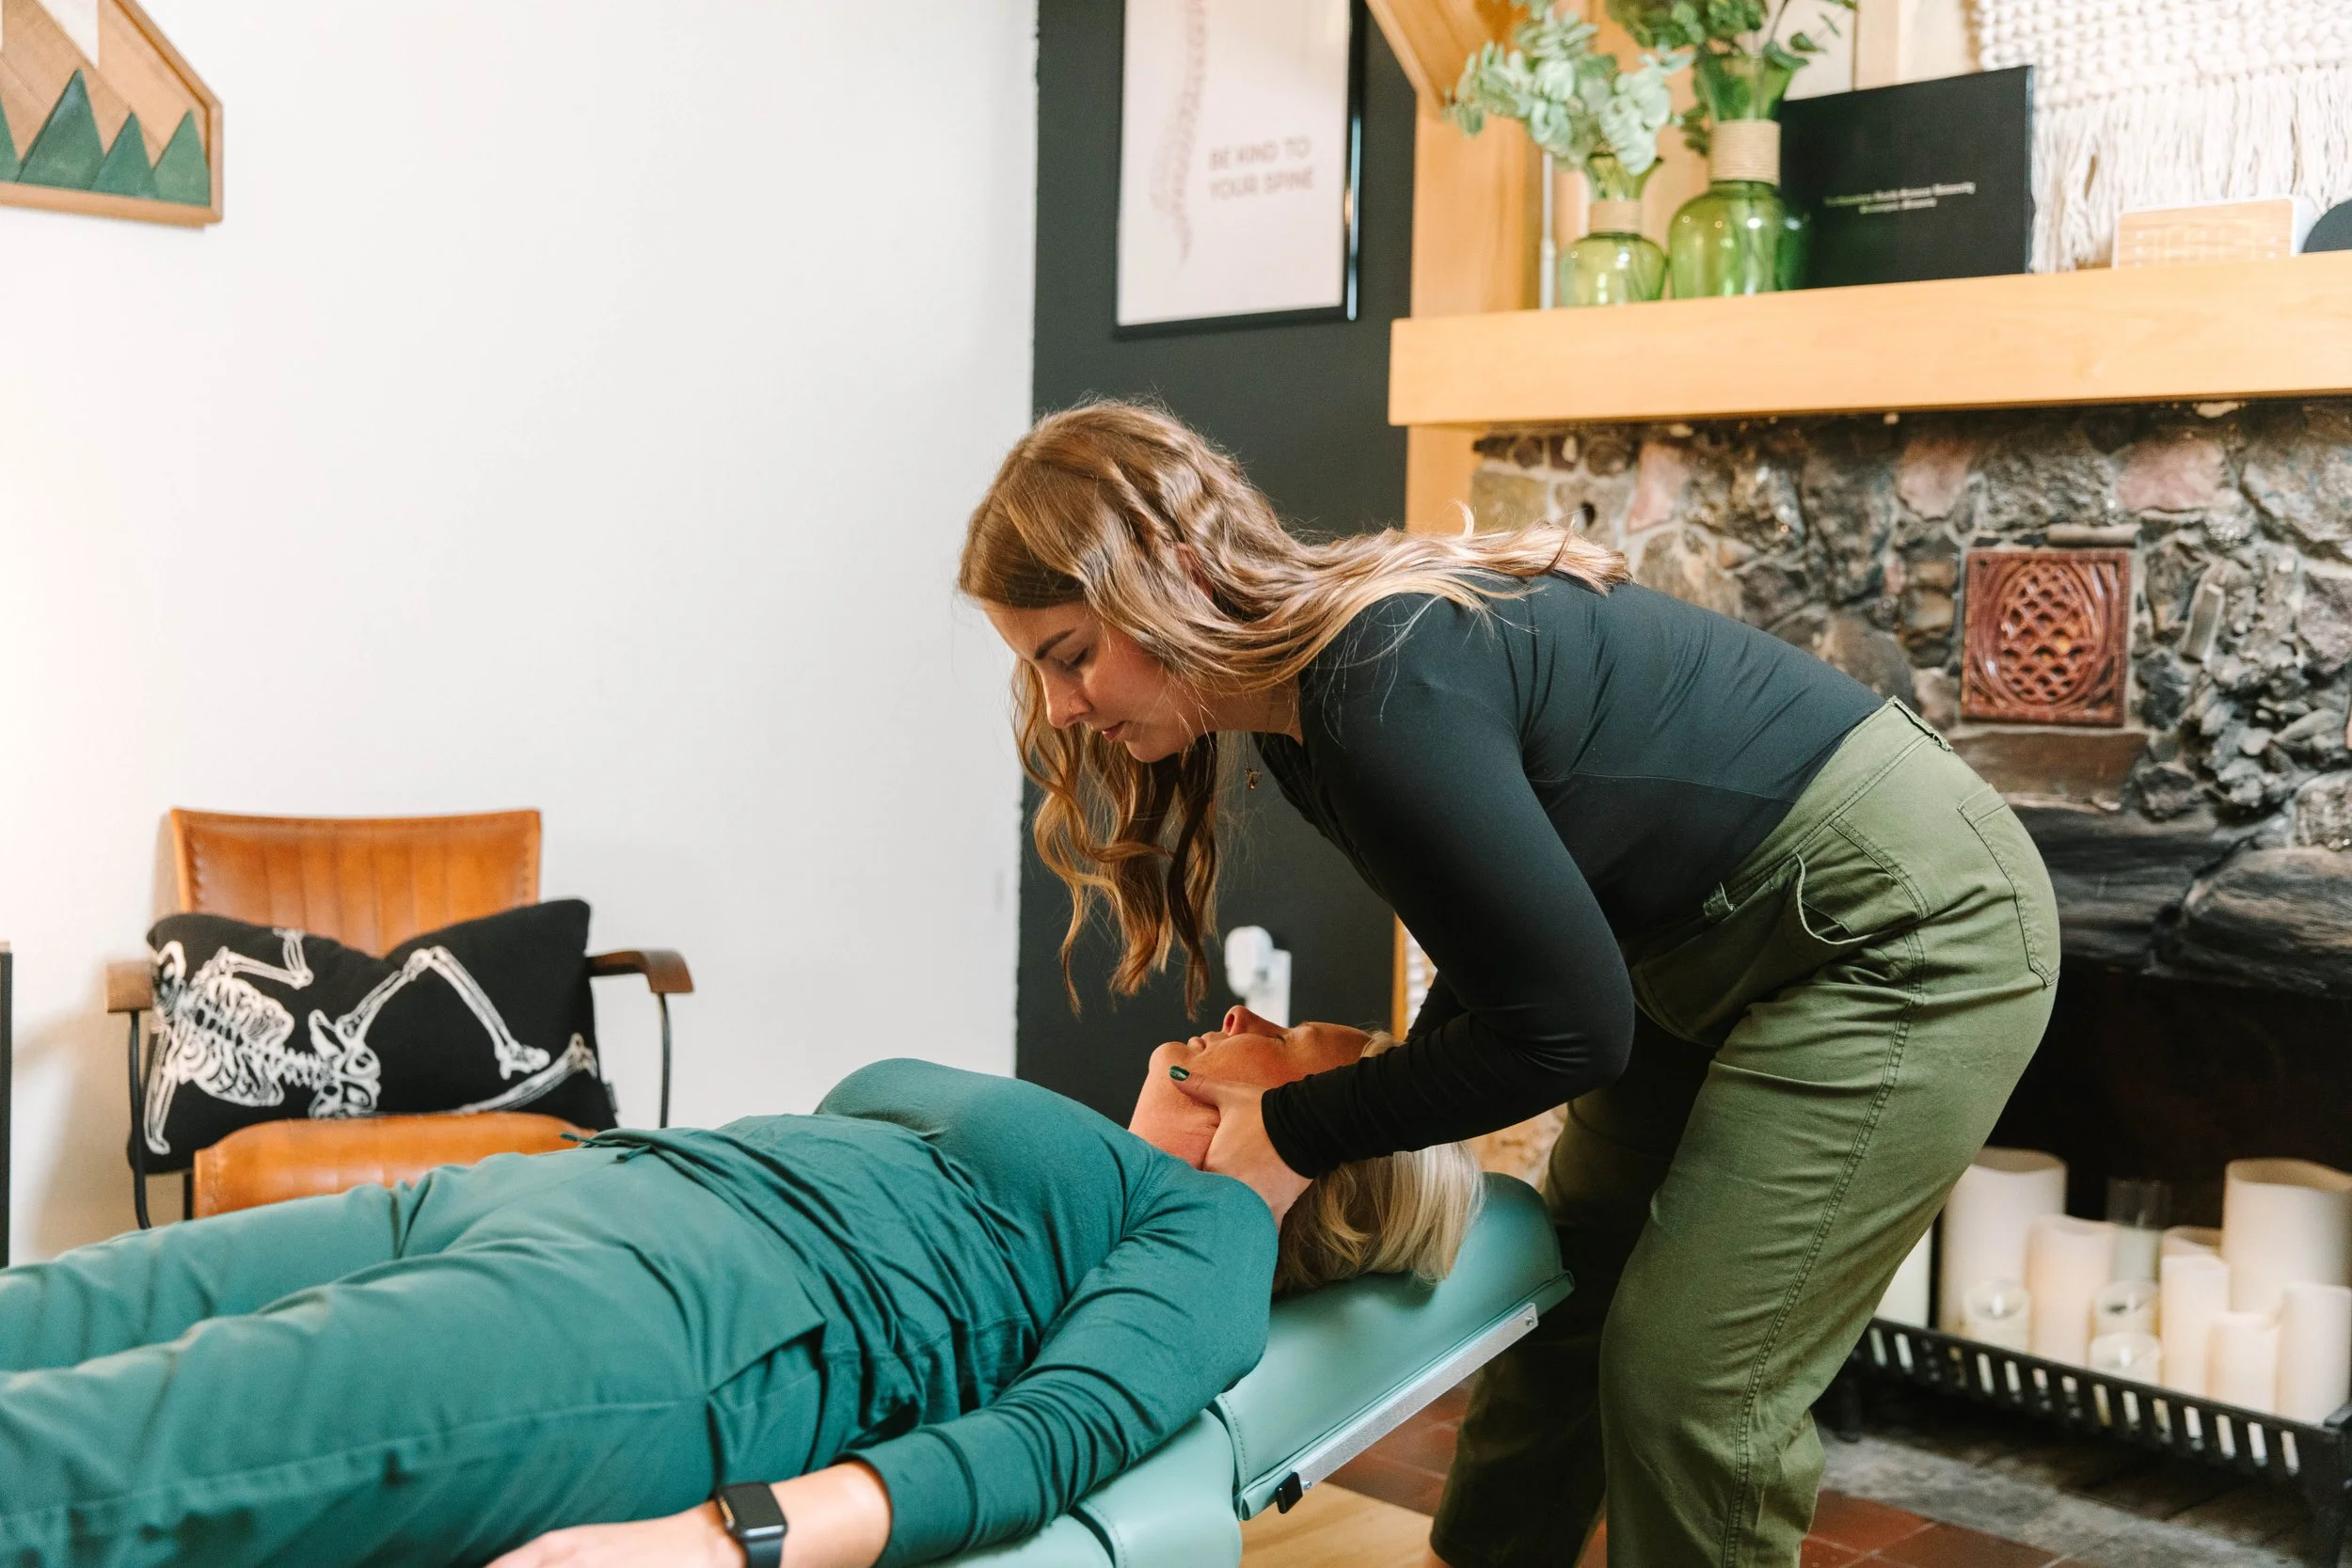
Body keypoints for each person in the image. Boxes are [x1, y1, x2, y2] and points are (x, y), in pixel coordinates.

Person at [961, 401, 2060, 1568]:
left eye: (1069, 656)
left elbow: (1567, 1031)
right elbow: (1501, 963)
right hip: (1693, 941)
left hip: (1899, 927)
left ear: (1168, 575)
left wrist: (1296, 1127)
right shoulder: (1305, 712)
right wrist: (1314, 1124)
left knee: (1691, 1379)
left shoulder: (1372, 684)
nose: (1062, 709)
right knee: (1572, 1292)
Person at [0, 1018, 1480, 1568]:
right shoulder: (1104, 1159)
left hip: (673, 1327)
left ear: (1343, 1134)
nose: (1240, 1014)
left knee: (100, 1458)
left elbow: (1046, 1439)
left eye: (1297, 1039)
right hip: (552, 1192)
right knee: (55, 1307)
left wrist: (722, 1542)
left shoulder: (1206, 1237)